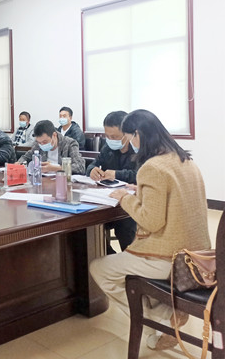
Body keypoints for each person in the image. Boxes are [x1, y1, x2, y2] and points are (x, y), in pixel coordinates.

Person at [90, 109, 211, 351]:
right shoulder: (185, 160)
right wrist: (140, 191)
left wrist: (125, 197)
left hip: (171, 258)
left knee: (99, 268)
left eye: (129, 137)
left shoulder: (152, 167)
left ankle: (158, 320)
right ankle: (165, 314)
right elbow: (172, 197)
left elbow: (151, 221)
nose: (130, 144)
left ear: (138, 134)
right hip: (198, 257)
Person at [86, 111, 138, 254]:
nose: (110, 140)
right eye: (107, 136)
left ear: (127, 133)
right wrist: (92, 170)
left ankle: (129, 258)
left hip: (129, 202)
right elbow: (94, 164)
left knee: (125, 226)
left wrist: (116, 174)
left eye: (114, 137)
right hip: (107, 199)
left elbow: (140, 175)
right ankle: (106, 254)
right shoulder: (108, 147)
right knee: (92, 227)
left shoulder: (137, 148)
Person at [18, 120, 85, 174]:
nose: (42, 144)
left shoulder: (69, 144)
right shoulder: (38, 143)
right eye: (39, 142)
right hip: (44, 181)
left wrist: (56, 168)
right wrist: (19, 164)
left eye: (45, 142)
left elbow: (80, 167)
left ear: (54, 135)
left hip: (62, 181)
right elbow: (26, 157)